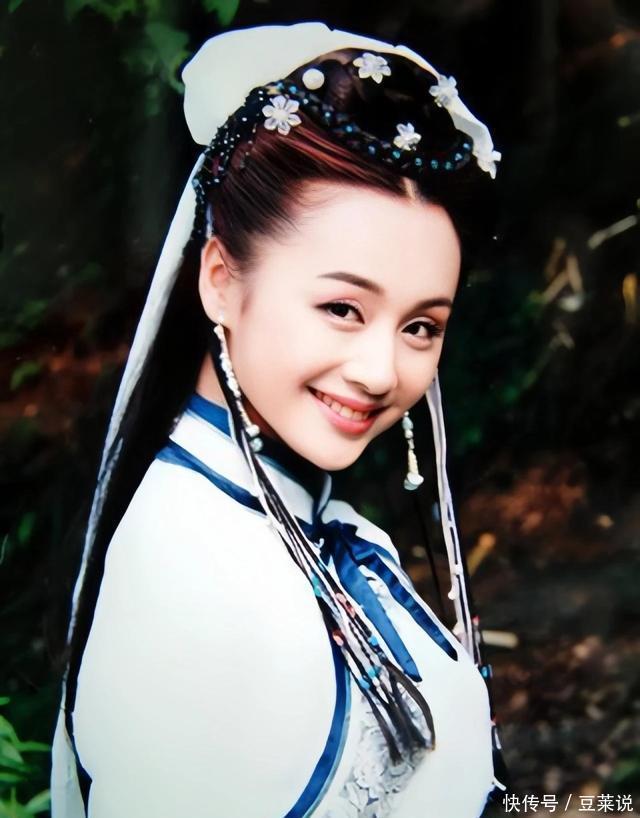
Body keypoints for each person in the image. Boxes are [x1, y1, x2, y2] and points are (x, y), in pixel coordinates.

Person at [50, 22, 509, 818]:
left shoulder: (270, 517)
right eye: (342, 308)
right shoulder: (196, 575)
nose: (380, 371)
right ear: (221, 281)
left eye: (420, 326)